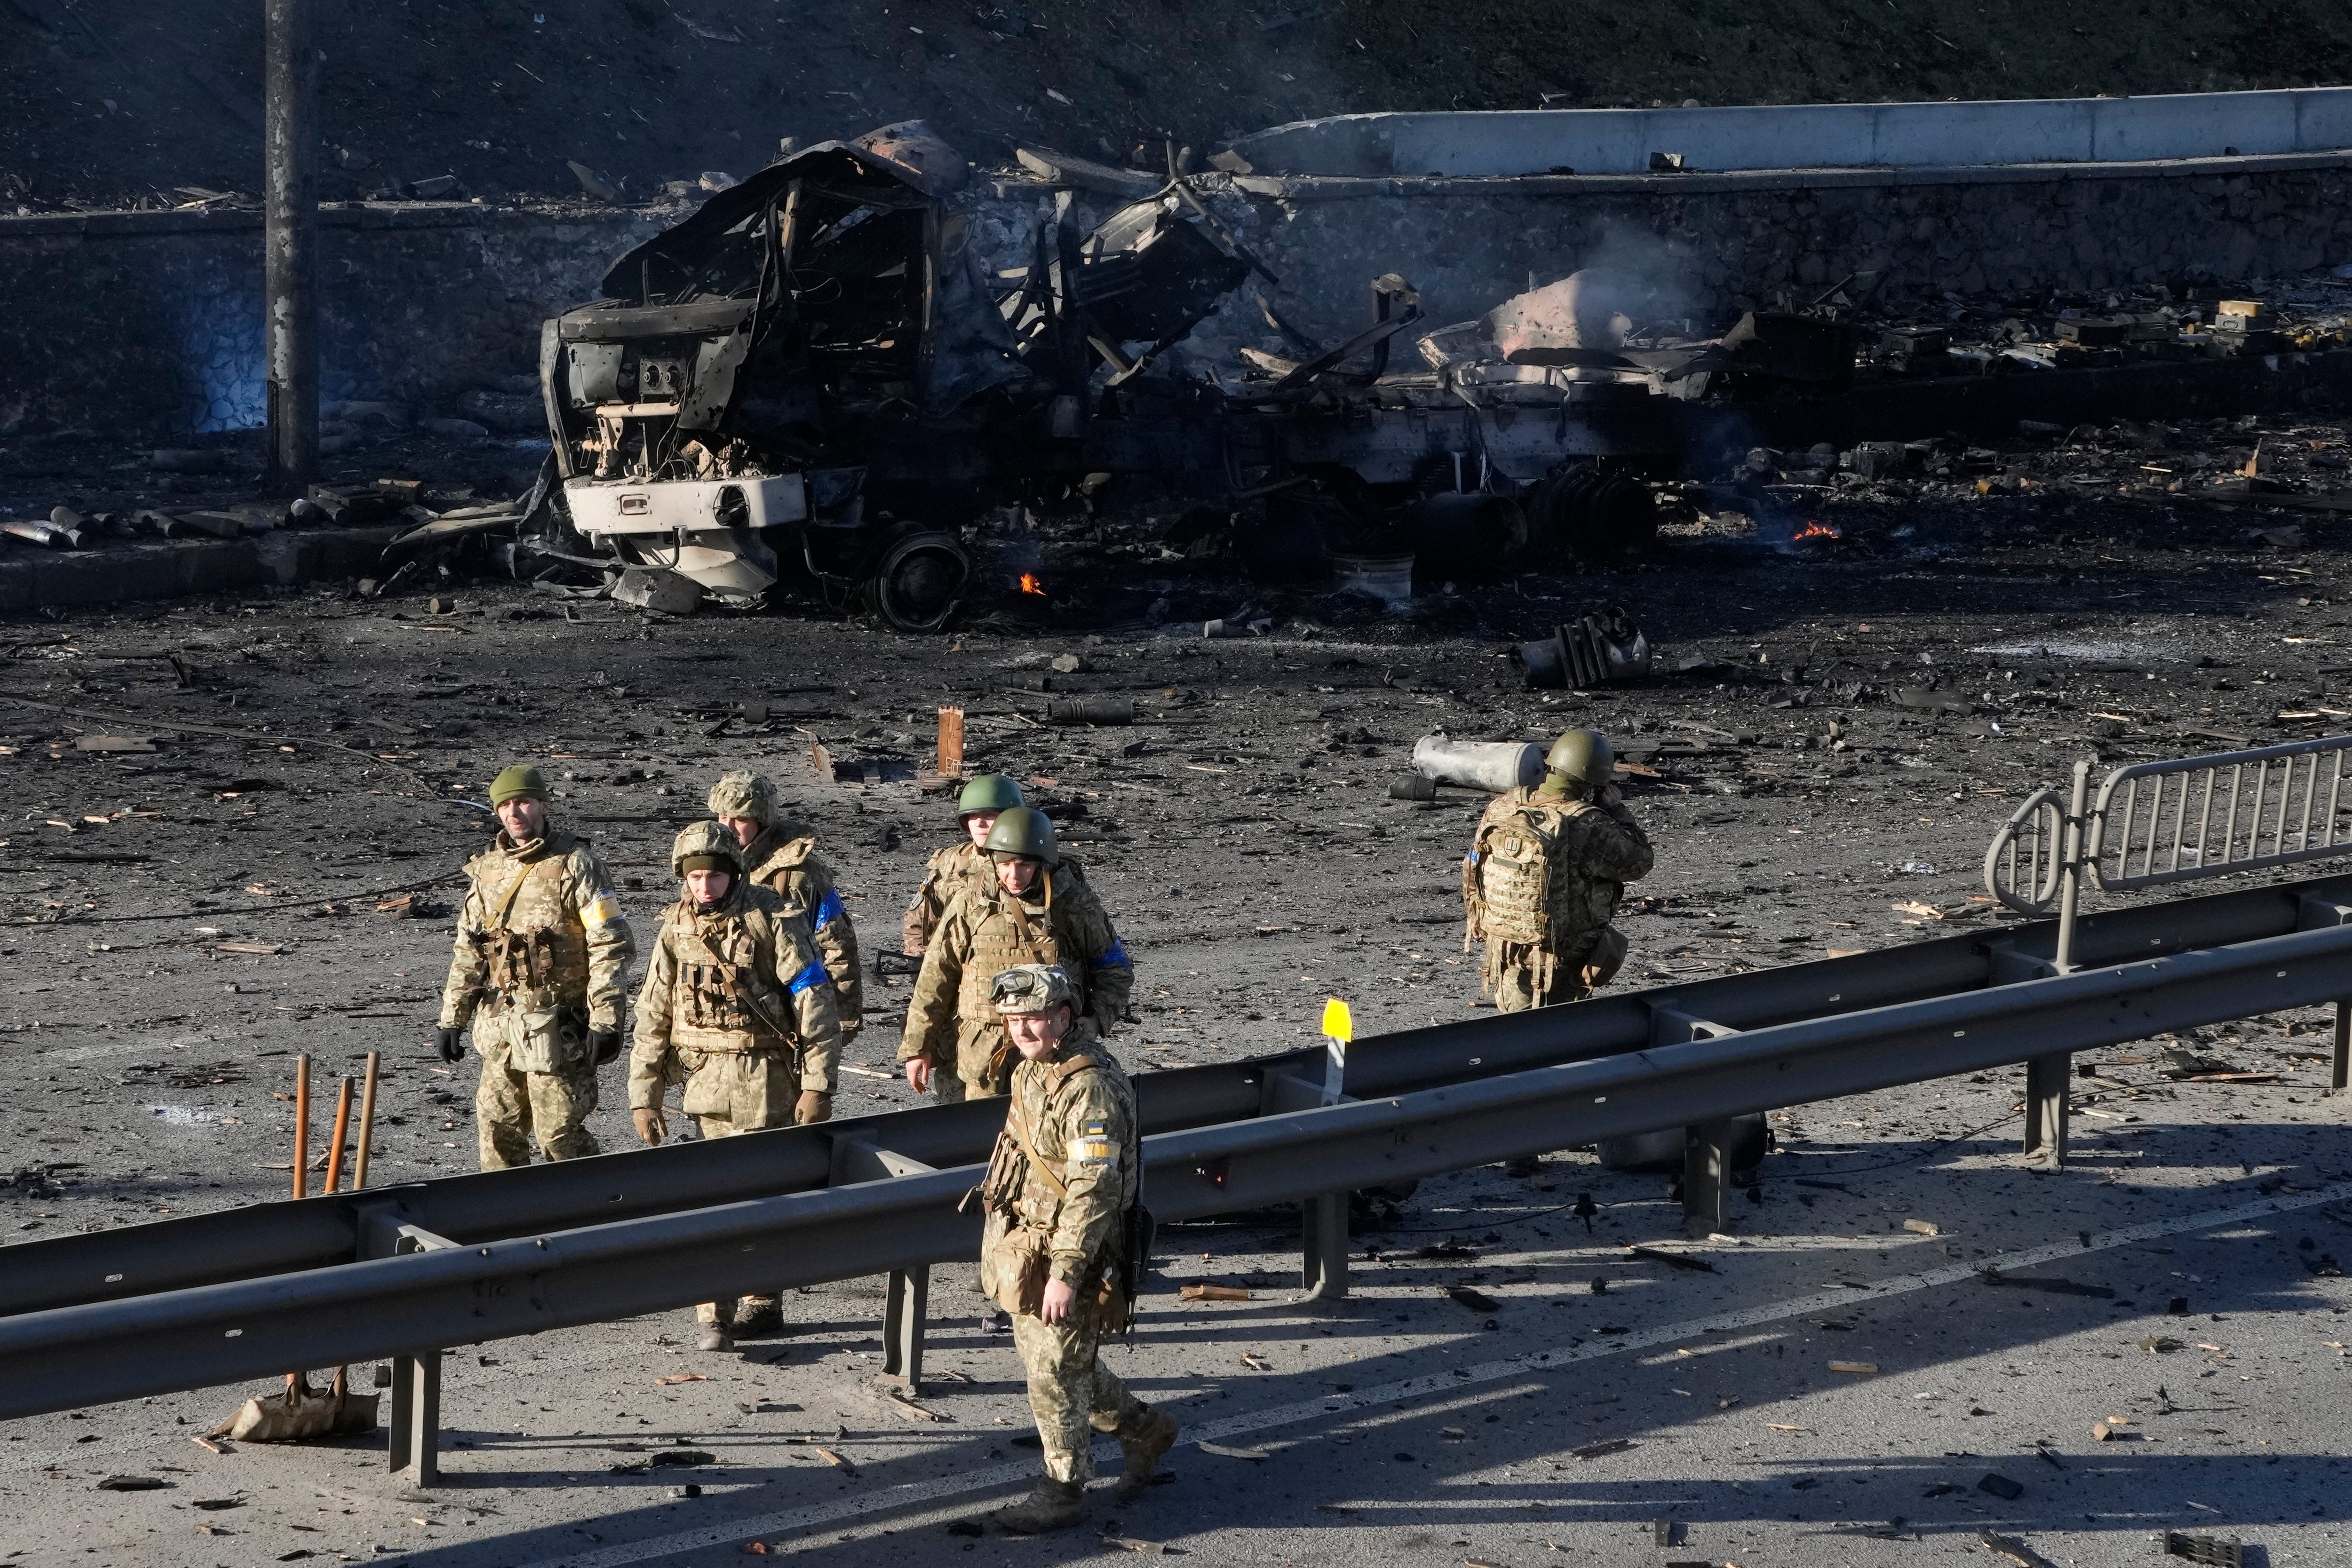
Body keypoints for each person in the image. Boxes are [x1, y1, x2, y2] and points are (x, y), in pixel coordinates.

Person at [973, 964, 1176, 1534]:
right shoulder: (1031, 1071)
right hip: (1029, 1246)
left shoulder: (1090, 1087)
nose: (1022, 1030)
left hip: (1077, 1252)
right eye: (1013, 1020)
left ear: (1065, 1016)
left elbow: (1095, 1188)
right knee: (1059, 1362)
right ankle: (1144, 1429)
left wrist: (1066, 1272)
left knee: (1056, 1371)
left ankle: (1062, 1490)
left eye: (1034, 1017)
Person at [628, 822, 844, 1350]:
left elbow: (813, 999)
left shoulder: (772, 917)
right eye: (696, 877)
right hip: (703, 1080)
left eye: (715, 876)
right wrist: (644, 1092)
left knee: (762, 1199)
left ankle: (763, 1301)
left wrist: (818, 1083)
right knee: (713, 1200)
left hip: (765, 1079)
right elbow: (655, 1010)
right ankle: (713, 1313)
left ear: (735, 874)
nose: (705, 887)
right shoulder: (676, 927)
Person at [435, 764, 634, 1170]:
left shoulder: (577, 865)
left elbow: (610, 945)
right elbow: (469, 951)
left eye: (523, 802)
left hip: (559, 1031)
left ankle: (592, 1217)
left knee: (559, 1135)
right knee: (497, 1132)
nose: (514, 813)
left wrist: (607, 1021)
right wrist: (452, 1019)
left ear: (543, 804)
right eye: (505, 805)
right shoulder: (487, 872)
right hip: (501, 1027)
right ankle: (506, 1221)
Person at [899, 806, 1132, 1102]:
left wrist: (1096, 1019)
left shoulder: (1071, 903)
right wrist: (918, 1046)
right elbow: (937, 974)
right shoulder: (973, 900)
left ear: (1042, 863)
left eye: (1023, 865)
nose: (1013, 876)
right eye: (1005, 864)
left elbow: (1115, 967)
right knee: (981, 1138)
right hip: (984, 1053)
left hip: (1054, 1049)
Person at [1462, 729, 1653, 1013]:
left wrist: (1475, 916)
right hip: (1563, 949)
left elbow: (1474, 860)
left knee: (1514, 1025)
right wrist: (1617, 810)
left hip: (1505, 939)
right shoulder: (1588, 823)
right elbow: (1640, 863)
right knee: (1561, 1030)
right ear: (1594, 783)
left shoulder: (1506, 805)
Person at [707, 768, 863, 1040]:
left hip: (786, 1019)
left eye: (741, 819)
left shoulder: (799, 876)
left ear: (762, 821)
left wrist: (843, 1020)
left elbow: (837, 946)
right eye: (723, 817)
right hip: (722, 1018)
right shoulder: (709, 869)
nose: (729, 828)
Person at [902, 773, 1025, 957]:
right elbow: (920, 919)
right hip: (961, 970)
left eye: (990, 815)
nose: (980, 823)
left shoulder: (1040, 863)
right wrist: (920, 961)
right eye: (973, 816)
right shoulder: (950, 862)